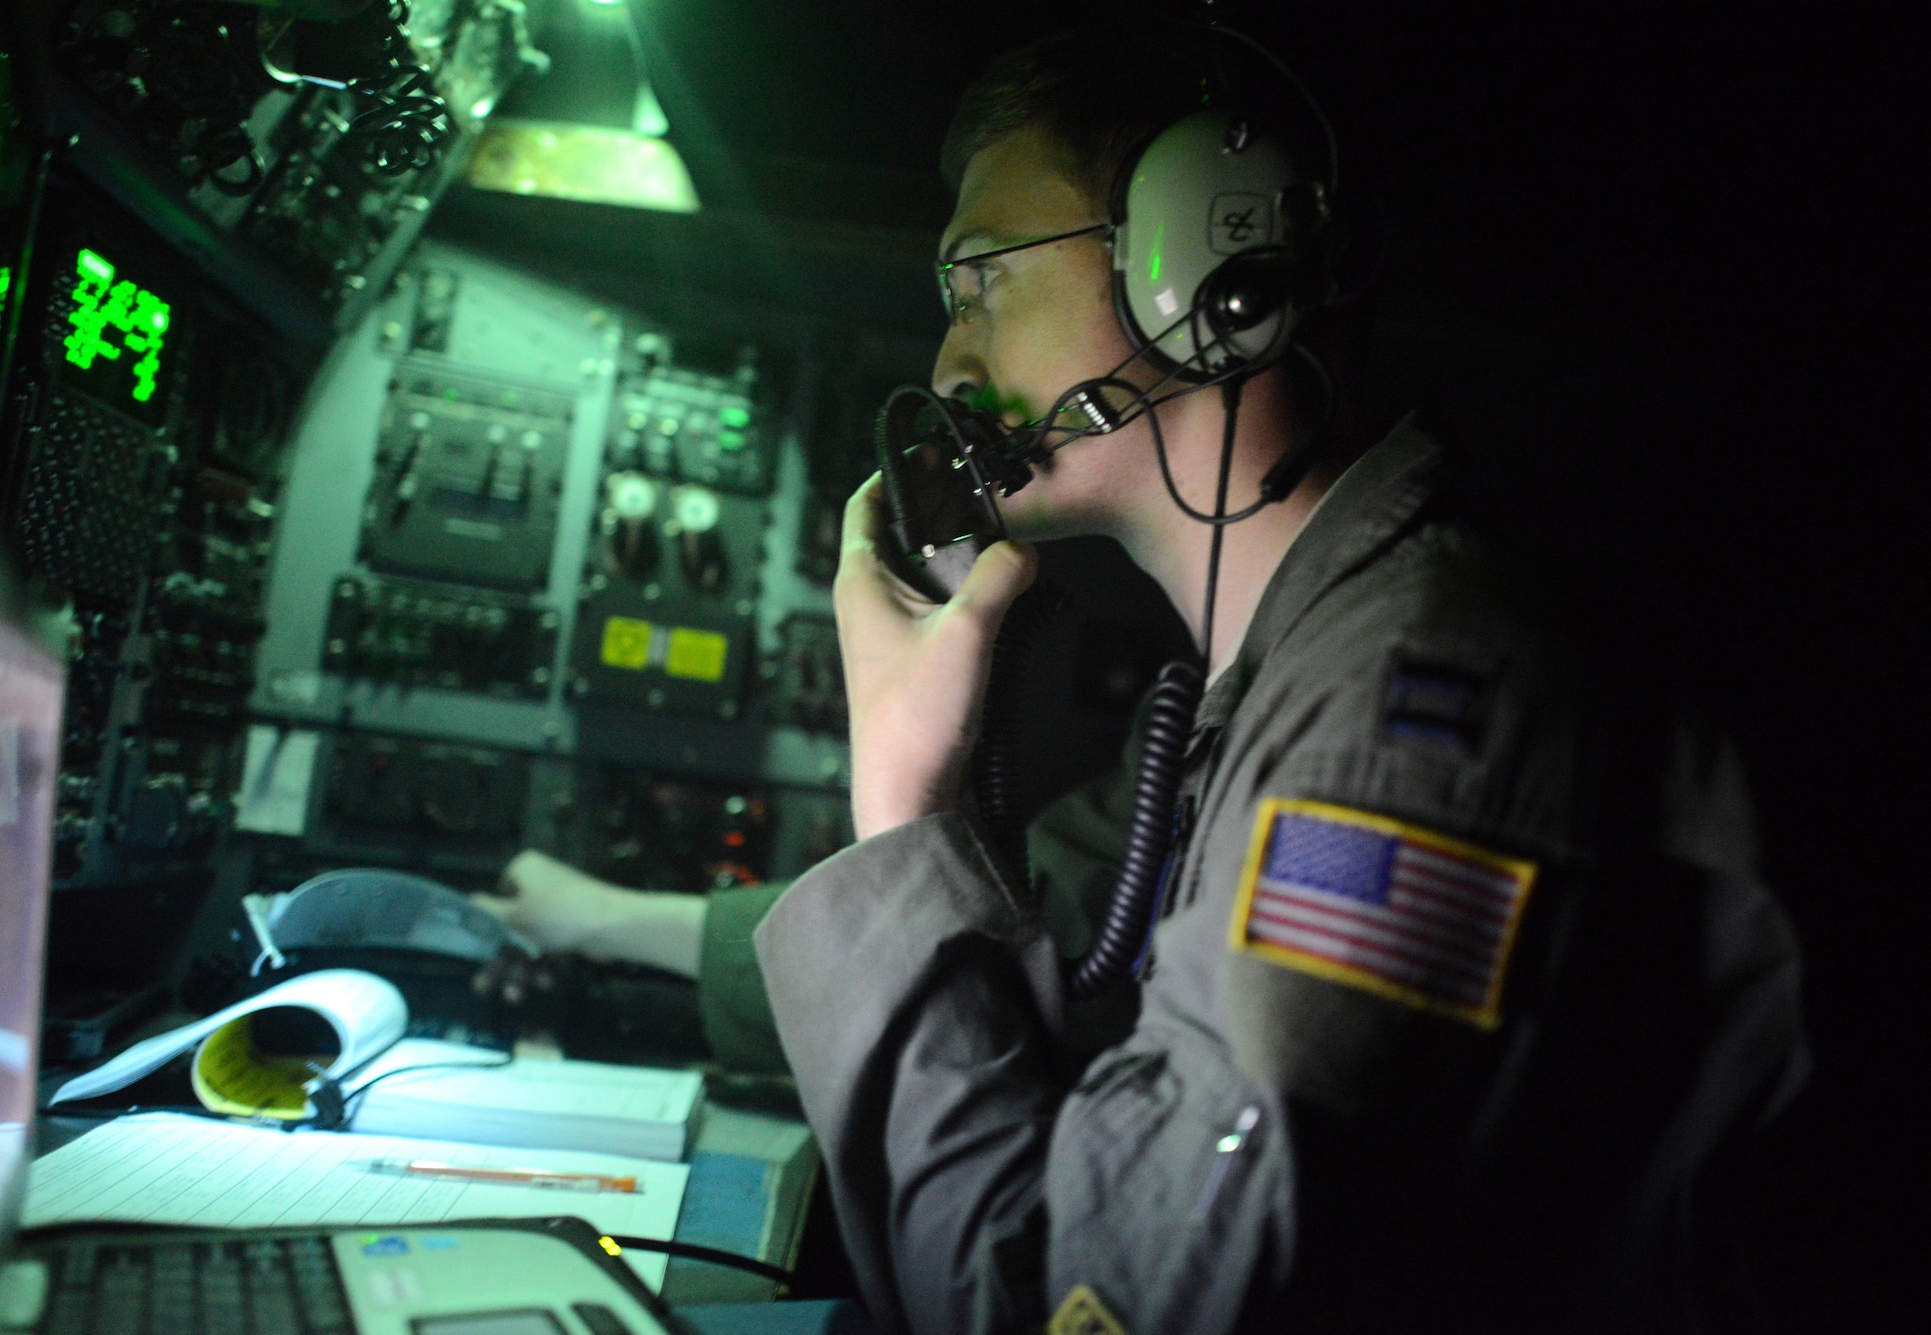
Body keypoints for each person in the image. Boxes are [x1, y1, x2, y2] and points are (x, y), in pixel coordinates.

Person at [487, 26, 1808, 1333]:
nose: (947, 364)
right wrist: (595, 917)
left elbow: (1072, 1311)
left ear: (1202, 262)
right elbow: (1062, 904)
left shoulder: (1400, 717)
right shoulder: (1279, 679)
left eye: (979, 282)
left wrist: (903, 809)